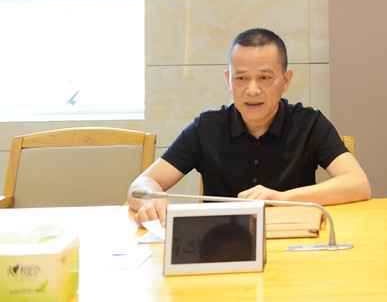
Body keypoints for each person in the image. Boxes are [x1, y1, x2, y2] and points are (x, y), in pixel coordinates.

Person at [128, 28, 371, 227]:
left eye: (265, 78)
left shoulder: (308, 124)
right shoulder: (206, 128)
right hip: (221, 246)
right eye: (241, 78)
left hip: (295, 240)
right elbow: (141, 185)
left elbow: (358, 184)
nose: (252, 90)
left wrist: (282, 198)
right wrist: (151, 202)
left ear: (286, 80)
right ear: (229, 80)